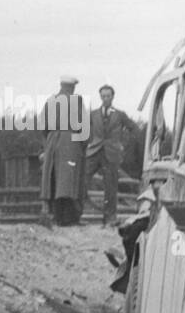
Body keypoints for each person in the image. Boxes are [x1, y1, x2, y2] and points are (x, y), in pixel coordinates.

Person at [39, 75, 88, 226]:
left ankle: (55, 215)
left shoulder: (51, 101)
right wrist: (82, 146)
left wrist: (50, 140)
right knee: (70, 180)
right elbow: (84, 128)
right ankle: (70, 218)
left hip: (53, 141)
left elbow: (42, 126)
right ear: (72, 87)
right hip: (71, 142)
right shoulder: (77, 102)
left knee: (53, 178)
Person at [86, 84, 138, 227]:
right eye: (103, 96)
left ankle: (110, 218)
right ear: (100, 97)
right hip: (94, 151)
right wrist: (89, 144)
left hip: (112, 153)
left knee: (111, 186)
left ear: (113, 97)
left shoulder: (120, 115)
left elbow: (134, 129)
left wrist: (124, 147)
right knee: (82, 178)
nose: (105, 98)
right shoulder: (93, 114)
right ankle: (78, 214)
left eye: (108, 96)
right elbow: (82, 132)